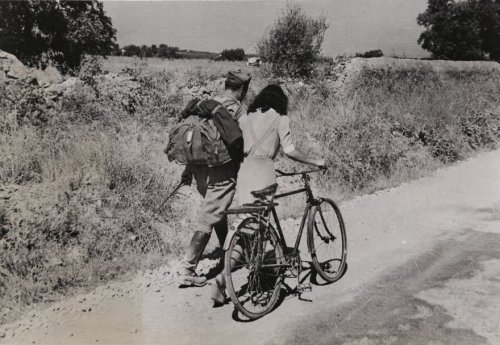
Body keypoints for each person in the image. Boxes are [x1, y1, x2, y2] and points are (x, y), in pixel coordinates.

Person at [211, 84, 325, 305]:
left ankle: (239, 276)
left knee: (249, 227)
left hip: (244, 175)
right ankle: (226, 278)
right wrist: (315, 160)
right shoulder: (281, 119)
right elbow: (290, 151)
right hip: (264, 175)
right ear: (280, 101)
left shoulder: (245, 118)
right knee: (259, 229)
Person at [178, 70, 251, 288]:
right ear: (242, 89)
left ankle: (226, 251)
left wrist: (188, 171)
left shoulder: (207, 104)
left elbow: (198, 141)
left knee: (217, 210)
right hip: (223, 171)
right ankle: (188, 269)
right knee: (209, 216)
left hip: (200, 170)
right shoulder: (236, 109)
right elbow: (247, 141)